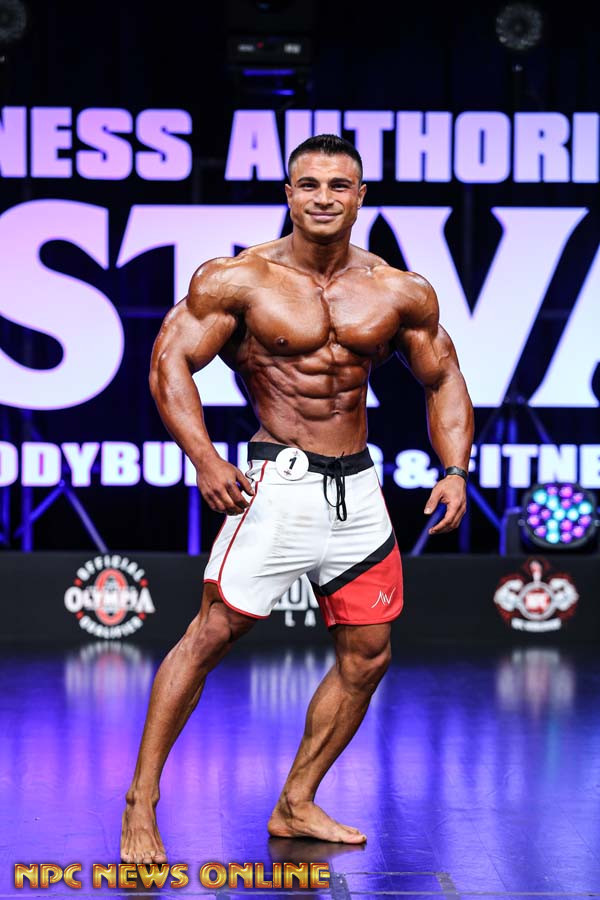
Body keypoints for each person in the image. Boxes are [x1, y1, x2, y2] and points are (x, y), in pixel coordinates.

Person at [120, 134, 474, 863]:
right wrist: (205, 458)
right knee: (211, 633)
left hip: (358, 490)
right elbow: (168, 363)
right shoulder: (239, 280)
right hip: (276, 483)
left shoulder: (398, 290)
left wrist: (455, 469)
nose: (323, 197)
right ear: (288, 194)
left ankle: (297, 801)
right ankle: (141, 801)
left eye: (338, 185)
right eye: (308, 184)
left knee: (368, 655)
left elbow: (443, 377)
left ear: (360, 197)